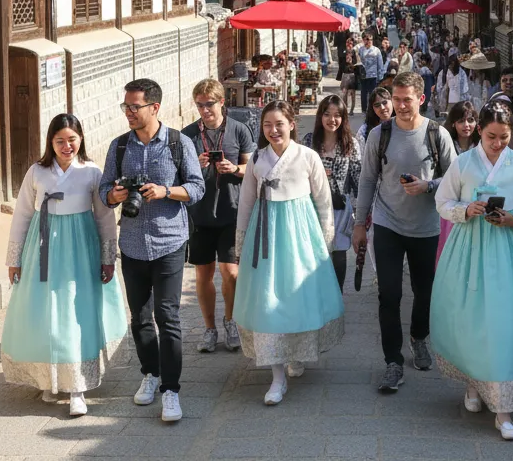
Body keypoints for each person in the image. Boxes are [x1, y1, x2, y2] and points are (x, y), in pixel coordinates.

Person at [430, 105, 513, 441]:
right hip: (469, 249)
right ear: (479, 130)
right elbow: (442, 201)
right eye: (491, 136)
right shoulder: (463, 163)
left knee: (505, 321)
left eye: (504, 138)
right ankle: (473, 382)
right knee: (470, 318)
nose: (497, 144)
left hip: (507, 251)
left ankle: (504, 410)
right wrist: (467, 209)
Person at [2, 114, 126, 418]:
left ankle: (77, 388)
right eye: (60, 140)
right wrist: (14, 259)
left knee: (74, 311)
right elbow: (21, 216)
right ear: (51, 142)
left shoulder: (92, 173)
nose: (66, 146)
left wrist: (108, 256)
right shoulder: (37, 172)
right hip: (43, 247)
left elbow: (104, 216)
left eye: (72, 139)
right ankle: (50, 377)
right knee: (47, 311)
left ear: (80, 139)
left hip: (80, 248)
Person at [99, 79, 206, 423]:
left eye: (135, 107)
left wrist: (165, 191)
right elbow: (103, 190)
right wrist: (114, 196)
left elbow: (197, 188)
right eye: (125, 107)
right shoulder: (118, 148)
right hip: (131, 245)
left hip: (170, 242)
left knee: (168, 317)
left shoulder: (179, 143)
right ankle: (151, 373)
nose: (129, 113)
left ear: (154, 108)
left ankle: (171, 390)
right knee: (141, 318)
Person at [235, 101, 345, 405]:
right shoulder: (258, 158)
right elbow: (246, 202)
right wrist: (242, 242)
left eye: (279, 123)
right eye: (267, 125)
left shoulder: (308, 156)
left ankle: (297, 352)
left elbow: (323, 201)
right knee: (269, 299)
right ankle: (277, 375)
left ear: (292, 124)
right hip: (265, 234)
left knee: (298, 297)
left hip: (300, 235)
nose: (273, 130)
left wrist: (326, 241)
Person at [354, 71, 457, 393]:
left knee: (425, 292)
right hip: (387, 224)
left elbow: (456, 180)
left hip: (427, 228)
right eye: (395, 99)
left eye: (406, 100)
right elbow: (368, 179)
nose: (400, 106)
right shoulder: (379, 135)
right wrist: (359, 223)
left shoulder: (437, 134)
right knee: (390, 294)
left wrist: (429, 186)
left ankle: (419, 336)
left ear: (421, 99)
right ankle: (392, 361)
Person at [182, 79, 255, 355]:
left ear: (221, 102)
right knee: (203, 273)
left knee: (231, 272)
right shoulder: (188, 135)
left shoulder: (239, 130)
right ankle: (209, 328)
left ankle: (230, 322)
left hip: (231, 210)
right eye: (199, 105)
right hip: (200, 213)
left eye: (209, 104)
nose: (204, 110)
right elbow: (177, 175)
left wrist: (234, 168)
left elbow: (252, 168)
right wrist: (194, 166)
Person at [304, 95, 361, 291]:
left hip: (338, 209)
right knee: (314, 255)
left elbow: (357, 179)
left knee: (338, 254)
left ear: (344, 118)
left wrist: (360, 213)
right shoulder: (310, 141)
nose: (332, 119)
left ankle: (336, 298)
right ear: (320, 116)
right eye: (327, 114)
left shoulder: (350, 144)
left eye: (337, 115)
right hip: (311, 209)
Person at [436, 101, 478, 262]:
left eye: (470, 120)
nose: (466, 125)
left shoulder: (481, 146)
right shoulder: (446, 145)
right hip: (451, 205)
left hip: (475, 205)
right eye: (461, 121)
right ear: (453, 123)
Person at [357, 33, 386, 112]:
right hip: (363, 75)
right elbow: (358, 61)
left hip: (373, 75)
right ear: (364, 40)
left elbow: (380, 63)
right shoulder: (361, 49)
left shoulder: (376, 50)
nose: (369, 41)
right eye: (367, 39)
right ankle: (364, 109)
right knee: (363, 93)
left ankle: (372, 109)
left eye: (371, 39)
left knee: (372, 93)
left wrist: (380, 76)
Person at [340, 38, 360, 110]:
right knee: (344, 93)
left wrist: (351, 62)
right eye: (348, 43)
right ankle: (345, 107)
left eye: (351, 44)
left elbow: (356, 63)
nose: (349, 45)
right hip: (345, 74)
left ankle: (352, 109)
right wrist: (345, 60)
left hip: (352, 74)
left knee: (352, 93)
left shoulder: (354, 52)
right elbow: (340, 63)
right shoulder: (343, 51)